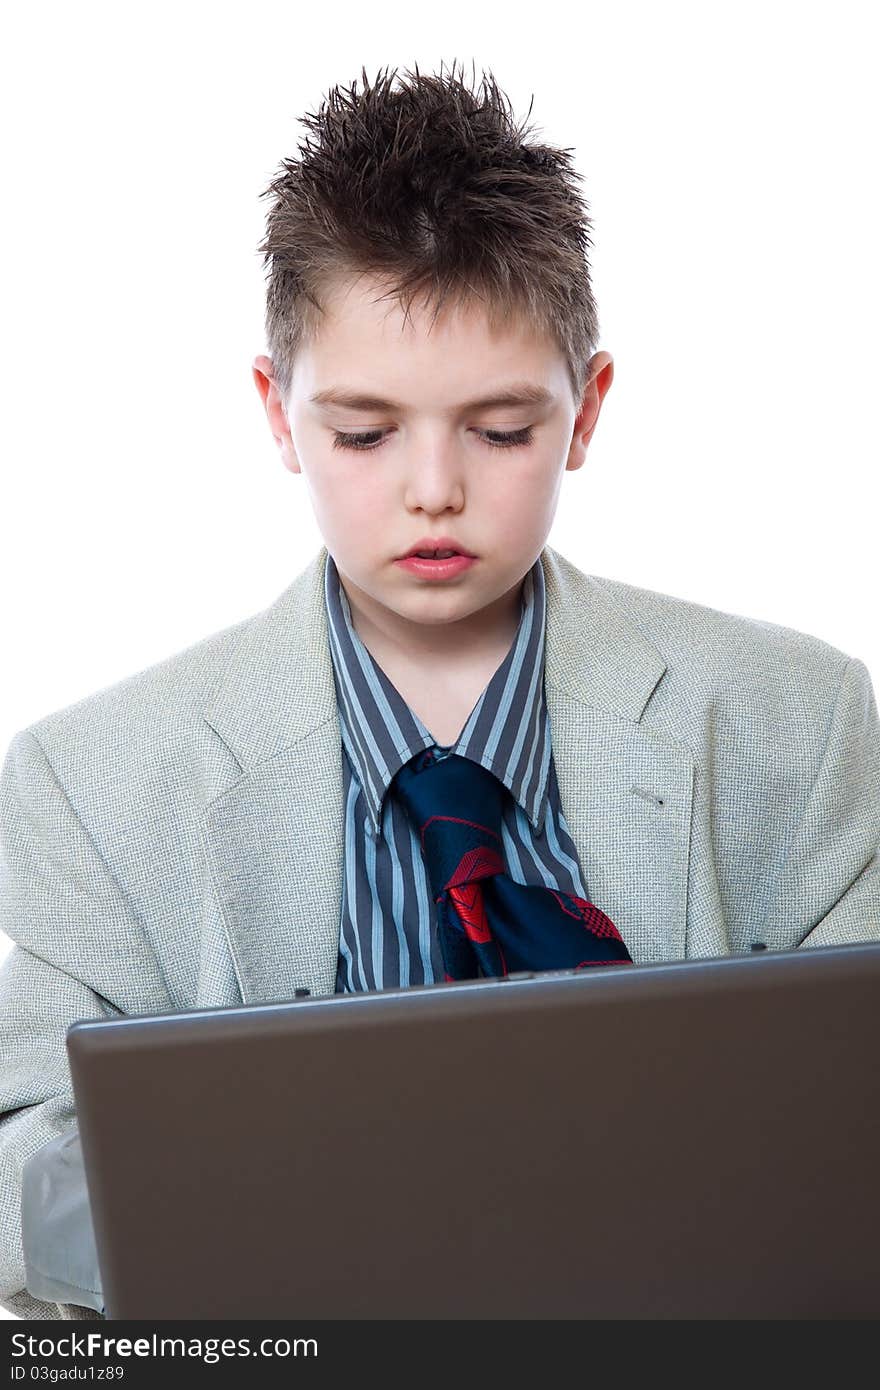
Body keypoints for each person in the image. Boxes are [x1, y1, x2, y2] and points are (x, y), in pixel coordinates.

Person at [1, 60, 878, 1322]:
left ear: (586, 411)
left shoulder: (794, 719)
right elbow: (17, 1161)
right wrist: (262, 1210)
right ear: (275, 410)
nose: (432, 489)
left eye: (500, 430)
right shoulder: (93, 780)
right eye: (363, 433)